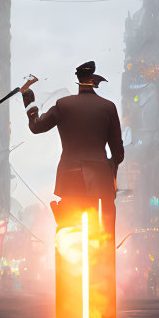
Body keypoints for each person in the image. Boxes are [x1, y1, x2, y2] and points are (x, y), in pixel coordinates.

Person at [24, 59, 124, 230]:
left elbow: (36, 127)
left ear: (78, 80)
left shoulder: (63, 105)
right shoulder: (108, 107)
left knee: (67, 229)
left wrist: (28, 97)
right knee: (106, 224)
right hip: (100, 180)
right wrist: (110, 169)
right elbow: (118, 154)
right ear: (94, 80)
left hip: (69, 179)